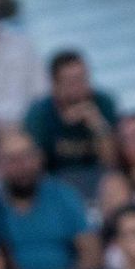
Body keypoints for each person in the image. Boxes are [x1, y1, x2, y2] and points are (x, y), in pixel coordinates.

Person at [0, 130, 96, 269]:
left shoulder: (64, 197)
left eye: (27, 156)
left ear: (39, 158)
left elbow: (90, 250)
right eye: (12, 160)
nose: (21, 166)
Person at [21, 51, 117, 191]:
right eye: (72, 82)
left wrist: (98, 125)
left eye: (83, 79)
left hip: (100, 180)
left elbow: (112, 162)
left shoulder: (103, 103)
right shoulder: (38, 115)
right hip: (57, 183)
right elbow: (33, 168)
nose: (80, 87)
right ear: (55, 85)